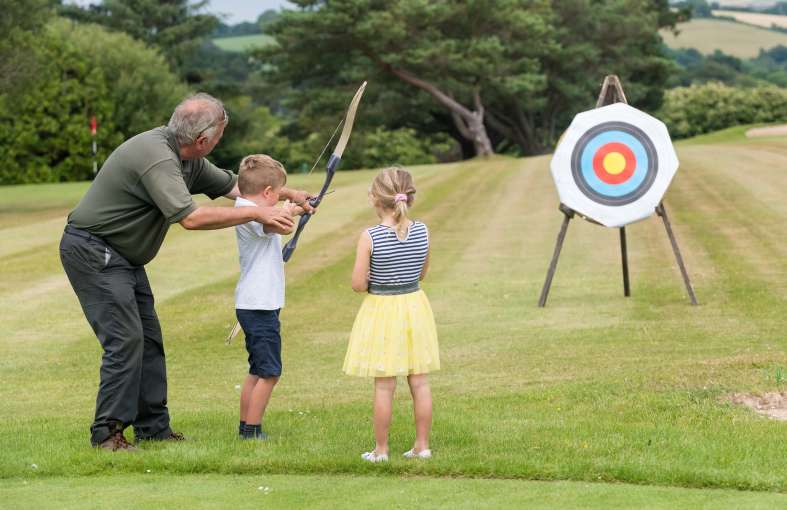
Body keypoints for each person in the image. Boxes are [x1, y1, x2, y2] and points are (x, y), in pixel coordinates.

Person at [59, 93, 313, 451]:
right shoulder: (157, 157)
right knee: (126, 339)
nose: (220, 140)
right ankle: (106, 434)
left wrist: (292, 193)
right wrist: (258, 213)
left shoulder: (188, 158)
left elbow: (237, 186)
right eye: (221, 134)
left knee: (149, 340)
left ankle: (153, 429)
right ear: (203, 140)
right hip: (94, 250)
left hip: (124, 257)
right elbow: (190, 218)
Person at [343, 166, 440, 463]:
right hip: (414, 307)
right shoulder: (422, 230)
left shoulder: (370, 236)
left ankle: (381, 450)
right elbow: (421, 273)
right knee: (420, 382)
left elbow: (358, 284)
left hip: (383, 311)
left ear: (375, 198)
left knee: (384, 384)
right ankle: (422, 446)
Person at [233, 154, 304, 440]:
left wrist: (297, 207)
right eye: (275, 196)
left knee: (257, 369)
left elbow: (279, 220)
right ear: (266, 193)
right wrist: (291, 210)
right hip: (259, 305)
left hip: (257, 303)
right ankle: (252, 431)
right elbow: (280, 225)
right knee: (270, 372)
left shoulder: (246, 206)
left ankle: (245, 427)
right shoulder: (251, 214)